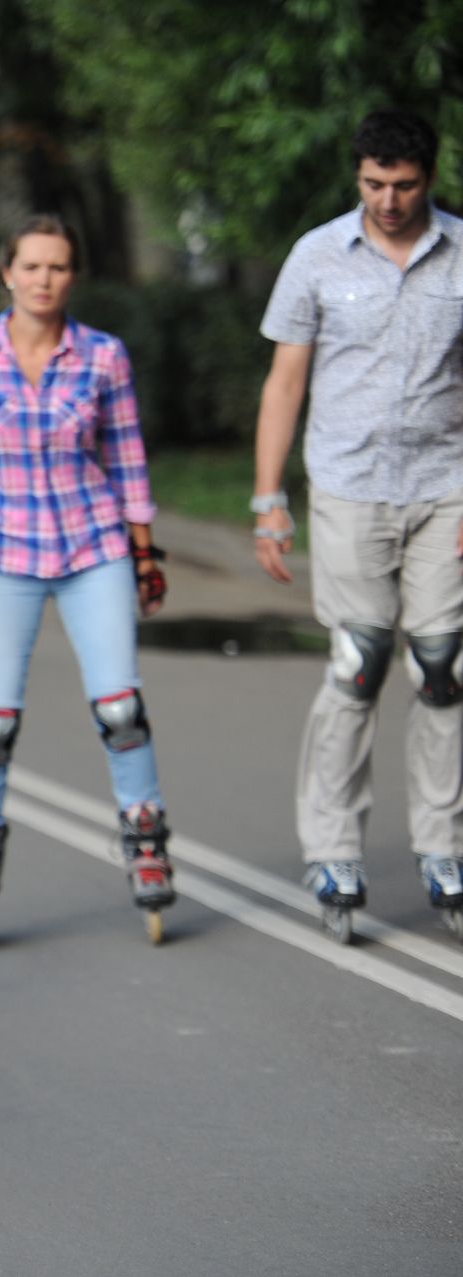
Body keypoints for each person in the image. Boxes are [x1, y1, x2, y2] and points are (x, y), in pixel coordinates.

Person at [0, 214, 174, 940]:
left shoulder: (102, 356)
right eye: (31, 266)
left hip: (93, 546)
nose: (43, 279)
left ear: (73, 276)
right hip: (1, 550)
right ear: (8, 273)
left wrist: (145, 554)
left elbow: (127, 460)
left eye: (57, 267)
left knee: (119, 706)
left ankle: (145, 839)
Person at [251, 107, 463, 923]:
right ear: (358, 177)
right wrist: (269, 500)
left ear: (429, 179)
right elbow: (284, 384)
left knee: (443, 667)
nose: (388, 199)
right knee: (359, 661)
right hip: (347, 487)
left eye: (404, 185)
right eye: (374, 183)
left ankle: (443, 847)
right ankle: (335, 851)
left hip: (444, 487)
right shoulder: (316, 257)